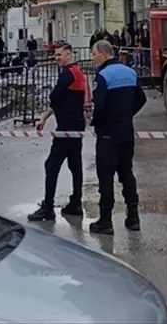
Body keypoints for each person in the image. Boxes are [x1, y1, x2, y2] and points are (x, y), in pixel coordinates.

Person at [88, 39, 147, 234]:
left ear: (104, 54)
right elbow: (141, 98)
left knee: (105, 176)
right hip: (126, 132)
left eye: (94, 54)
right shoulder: (129, 72)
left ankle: (105, 220)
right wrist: (127, 115)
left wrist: (96, 124)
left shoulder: (103, 75)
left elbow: (100, 106)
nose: (92, 57)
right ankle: (133, 217)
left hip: (107, 134)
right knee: (127, 173)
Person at [27, 44, 90, 221]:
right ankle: (76, 203)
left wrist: (50, 107)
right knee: (75, 165)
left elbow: (54, 97)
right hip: (77, 127)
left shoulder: (67, 73)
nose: (57, 58)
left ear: (69, 54)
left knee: (51, 165)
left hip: (66, 129)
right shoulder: (78, 72)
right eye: (55, 55)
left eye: (59, 55)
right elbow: (60, 102)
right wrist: (44, 117)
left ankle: (47, 207)